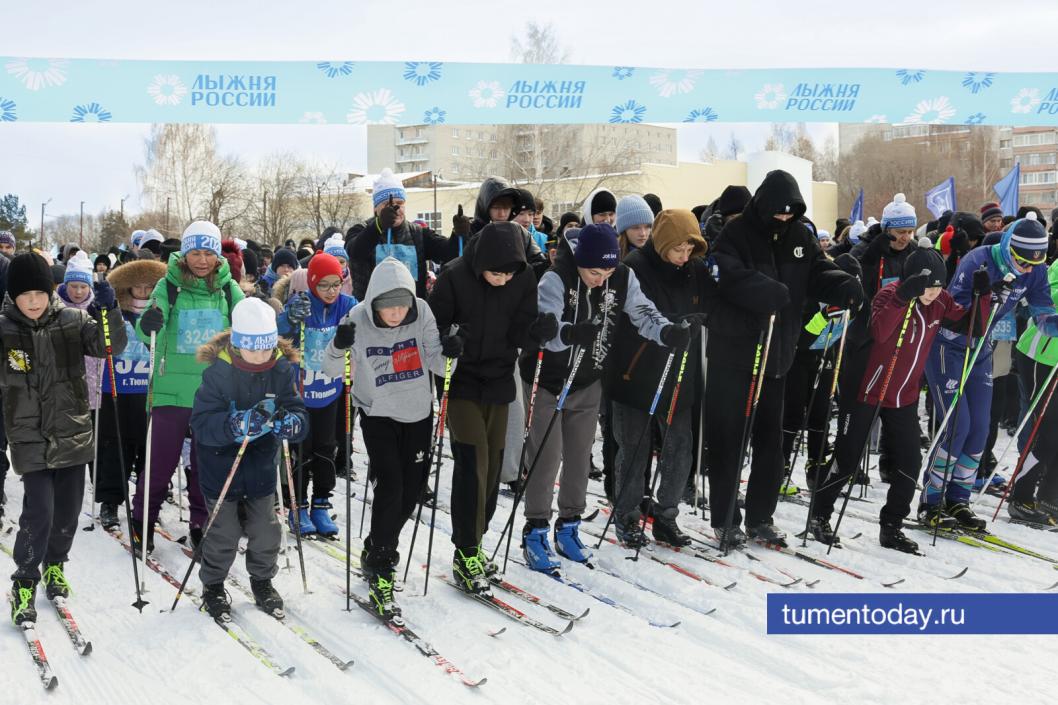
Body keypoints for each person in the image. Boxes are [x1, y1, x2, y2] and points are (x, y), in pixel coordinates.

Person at [518, 224, 689, 572]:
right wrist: (569, 332)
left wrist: (666, 331)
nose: (601, 278)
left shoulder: (622, 277)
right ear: (581, 262)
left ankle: (569, 527)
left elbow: (642, 312)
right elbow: (545, 328)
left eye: (608, 271)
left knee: (580, 457)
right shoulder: (556, 279)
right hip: (548, 380)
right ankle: (535, 530)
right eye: (594, 272)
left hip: (589, 378)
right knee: (546, 458)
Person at [704, 170, 862, 548]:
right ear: (763, 205)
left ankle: (761, 516)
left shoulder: (799, 236)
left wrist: (843, 282)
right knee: (730, 440)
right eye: (779, 213)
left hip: (777, 355)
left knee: (771, 443)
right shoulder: (736, 233)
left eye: (791, 214)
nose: (784, 219)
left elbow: (817, 269)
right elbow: (725, 273)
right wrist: (763, 291)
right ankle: (725, 517)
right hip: (736, 355)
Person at [809, 246, 965, 552]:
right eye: (929, 287)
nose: (934, 293)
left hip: (903, 397)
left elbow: (969, 323)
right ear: (913, 282)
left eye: (938, 287)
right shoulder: (888, 295)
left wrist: (987, 297)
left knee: (909, 462)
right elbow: (879, 331)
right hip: (867, 390)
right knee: (848, 458)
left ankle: (891, 526)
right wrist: (902, 298)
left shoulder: (939, 300)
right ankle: (820, 513)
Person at [322, 257, 449, 618]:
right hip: (377, 413)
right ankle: (381, 560)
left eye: (401, 305)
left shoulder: (421, 311)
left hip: (419, 413)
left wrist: (454, 349)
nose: (395, 313)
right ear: (373, 302)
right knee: (390, 485)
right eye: (387, 306)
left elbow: (439, 362)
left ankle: (376, 545)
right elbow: (331, 368)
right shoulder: (356, 318)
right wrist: (338, 344)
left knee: (412, 491)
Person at [4, 253, 125, 625]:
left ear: (49, 291)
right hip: (28, 434)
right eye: (26, 296)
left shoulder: (73, 321)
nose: (34, 302)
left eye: (39, 293)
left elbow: (111, 346)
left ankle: (55, 565)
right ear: (14, 297)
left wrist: (111, 313)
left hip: (72, 430)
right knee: (38, 510)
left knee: (68, 511)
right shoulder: (5, 329)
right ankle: (25, 579)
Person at [428, 222, 548, 592]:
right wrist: (450, 341)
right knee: (473, 460)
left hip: (498, 378)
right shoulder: (454, 277)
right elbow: (433, 328)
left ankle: (475, 544)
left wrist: (537, 333)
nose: (502, 280)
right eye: (496, 273)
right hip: (460, 378)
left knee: (495, 464)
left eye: (509, 274)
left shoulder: (522, 279)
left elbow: (520, 329)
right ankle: (464, 550)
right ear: (482, 264)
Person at [922, 213, 1058, 529]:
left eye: (1032, 264)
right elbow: (953, 312)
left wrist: (1054, 324)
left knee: (980, 430)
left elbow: (1042, 314)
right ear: (1009, 246)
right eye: (1021, 261)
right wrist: (984, 298)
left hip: (981, 348)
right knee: (958, 426)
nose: (1026, 269)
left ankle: (958, 501)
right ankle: (931, 502)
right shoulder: (978, 261)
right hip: (949, 345)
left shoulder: (1035, 271)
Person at [189, 298, 307, 621]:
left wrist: (293, 423)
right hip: (221, 468)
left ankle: (262, 580)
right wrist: (234, 424)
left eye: (266, 347)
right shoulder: (218, 373)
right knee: (223, 532)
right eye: (252, 348)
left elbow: (296, 408)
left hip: (260, 470)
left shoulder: (281, 370)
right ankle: (213, 584)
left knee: (266, 529)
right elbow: (200, 424)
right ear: (238, 344)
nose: (260, 356)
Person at [133, 221, 245, 553]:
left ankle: (201, 523)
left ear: (216, 255)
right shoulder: (168, 286)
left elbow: (249, 326)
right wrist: (149, 324)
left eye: (207, 253)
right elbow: (146, 329)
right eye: (194, 252)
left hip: (214, 393)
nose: (201, 260)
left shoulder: (228, 289)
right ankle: (143, 521)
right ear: (184, 254)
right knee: (159, 462)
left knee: (205, 464)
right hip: (171, 390)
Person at [607, 210, 710, 547]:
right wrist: (675, 322)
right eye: (678, 249)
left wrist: (697, 319)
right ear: (664, 243)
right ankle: (627, 515)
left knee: (680, 447)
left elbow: (710, 303)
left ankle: (666, 515)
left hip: (679, 372)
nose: (684, 257)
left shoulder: (694, 269)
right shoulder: (635, 265)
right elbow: (634, 315)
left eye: (689, 250)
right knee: (634, 449)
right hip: (636, 371)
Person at [276, 252, 357, 536]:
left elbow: (363, 327)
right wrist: (288, 316)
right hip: (301, 393)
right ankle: (297, 506)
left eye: (336, 284)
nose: (331, 291)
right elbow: (278, 333)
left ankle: (320, 504)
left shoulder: (347, 305)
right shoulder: (301, 306)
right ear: (312, 284)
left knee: (326, 448)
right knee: (301, 450)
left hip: (330, 391)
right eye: (324, 285)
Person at [95, 258, 166, 529]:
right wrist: (103, 305)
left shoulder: (161, 312)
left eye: (150, 286)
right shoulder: (117, 312)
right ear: (128, 288)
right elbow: (99, 329)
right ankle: (110, 501)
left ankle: (147, 503)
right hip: (119, 388)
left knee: (150, 451)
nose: (144, 292)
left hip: (150, 390)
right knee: (116, 448)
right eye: (138, 287)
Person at [347, 169, 451, 300]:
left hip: (412, 311)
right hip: (372, 312)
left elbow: (448, 252)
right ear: (375, 208)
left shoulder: (418, 233)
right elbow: (355, 251)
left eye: (400, 203)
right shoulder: (360, 229)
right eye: (387, 204)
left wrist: (459, 234)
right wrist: (379, 225)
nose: (395, 209)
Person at [615, 195, 655, 260]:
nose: (643, 234)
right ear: (624, 230)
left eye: (648, 227)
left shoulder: (661, 257)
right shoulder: (611, 261)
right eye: (636, 227)